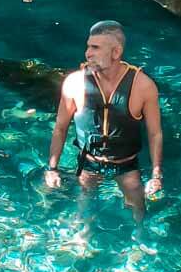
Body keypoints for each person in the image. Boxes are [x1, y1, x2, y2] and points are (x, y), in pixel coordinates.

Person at [44, 20, 163, 217]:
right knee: (83, 211)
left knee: (138, 209)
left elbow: (155, 133)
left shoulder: (143, 86)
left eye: (95, 47)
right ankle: (81, 244)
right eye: (88, 46)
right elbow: (60, 128)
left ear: (116, 52)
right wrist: (52, 168)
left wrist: (156, 175)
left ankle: (141, 243)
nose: (87, 53)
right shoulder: (75, 83)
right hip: (89, 162)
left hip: (126, 163)